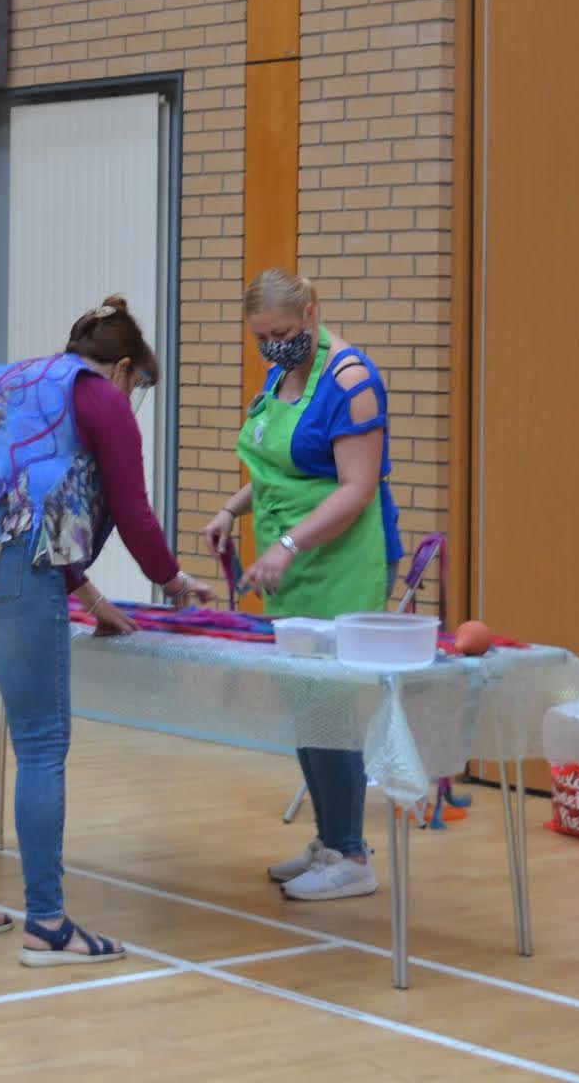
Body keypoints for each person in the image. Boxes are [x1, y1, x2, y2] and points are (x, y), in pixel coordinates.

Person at [0, 296, 212, 965]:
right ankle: (47, 924)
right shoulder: (101, 399)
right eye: (137, 386)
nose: (132, 400)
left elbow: (5, 492)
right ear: (122, 368)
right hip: (4, 569)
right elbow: (134, 515)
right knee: (40, 743)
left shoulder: (4, 380)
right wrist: (177, 582)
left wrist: (89, 595)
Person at [201, 269, 402, 902]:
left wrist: (286, 546)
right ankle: (330, 839)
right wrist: (232, 511)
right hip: (291, 567)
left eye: (282, 332)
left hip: (339, 567)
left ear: (311, 314)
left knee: (330, 709)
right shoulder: (280, 376)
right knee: (305, 708)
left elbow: (356, 488)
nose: (272, 345)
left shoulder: (352, 382)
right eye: (260, 336)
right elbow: (278, 469)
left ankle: (352, 857)